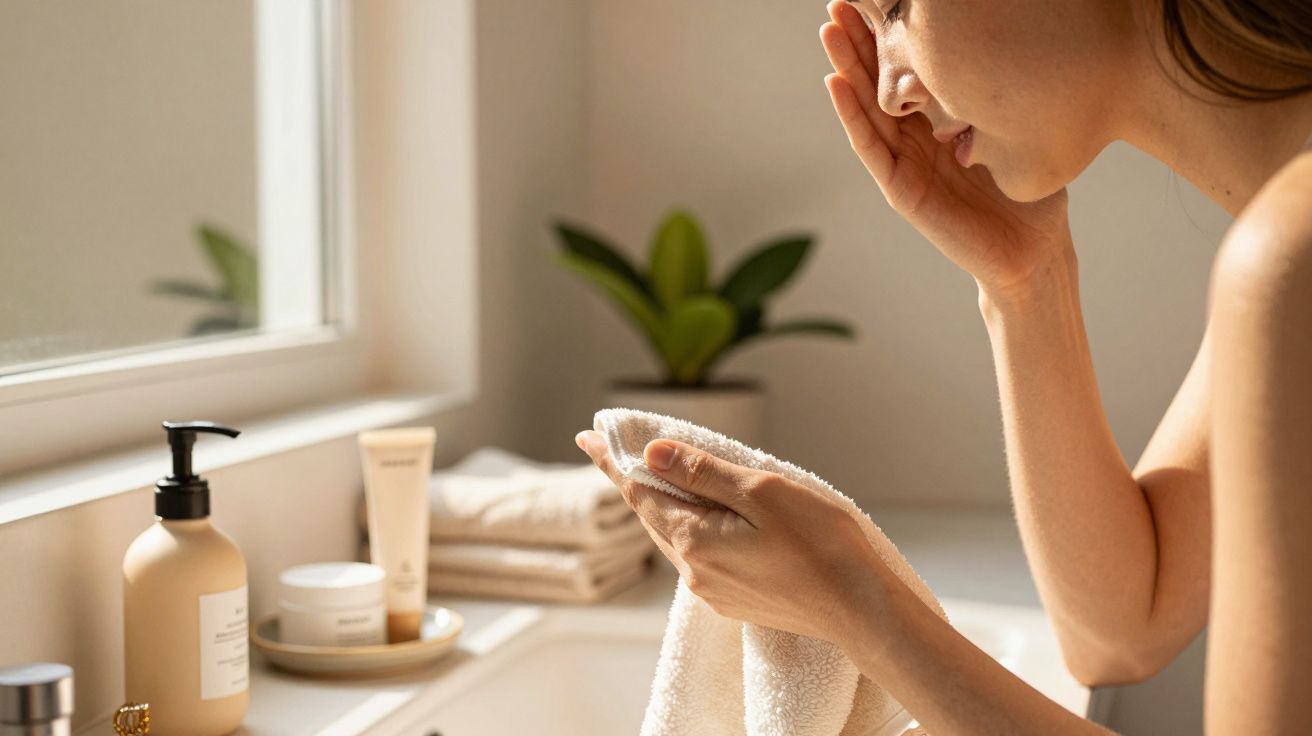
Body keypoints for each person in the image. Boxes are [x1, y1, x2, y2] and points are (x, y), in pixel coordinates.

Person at [575, 0, 1312, 731]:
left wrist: (858, 605)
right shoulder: (1285, 246)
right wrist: (1026, 283)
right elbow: (1123, 627)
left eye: (896, 8)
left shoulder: (1294, 257)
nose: (891, 89)